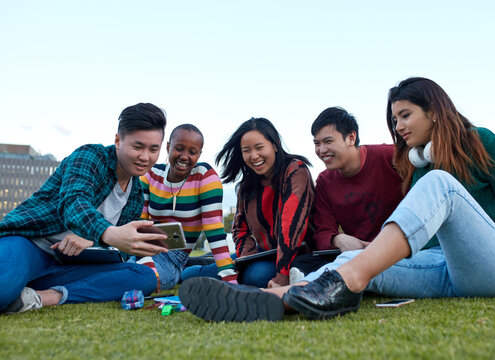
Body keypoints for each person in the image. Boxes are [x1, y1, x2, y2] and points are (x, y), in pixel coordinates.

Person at [179, 77, 495, 322]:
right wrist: (340, 241)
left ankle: (346, 282)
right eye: (394, 118)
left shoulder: (482, 143)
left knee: (440, 186)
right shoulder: (415, 162)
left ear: (433, 111)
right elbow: (322, 231)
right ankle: (273, 300)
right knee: (353, 256)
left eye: (405, 115)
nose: (398, 126)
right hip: (444, 272)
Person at [0, 103, 170, 314]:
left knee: (143, 277)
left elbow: (117, 251)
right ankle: (17, 282)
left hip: (68, 264)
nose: (145, 157)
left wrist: (93, 241)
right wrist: (107, 233)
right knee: (2, 287)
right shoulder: (90, 156)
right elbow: (74, 203)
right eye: (137, 147)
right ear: (118, 141)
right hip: (31, 245)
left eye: (153, 149)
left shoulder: (135, 195)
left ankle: (44, 297)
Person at [182, 118, 315, 288]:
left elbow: (292, 225)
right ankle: (202, 263)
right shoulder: (247, 185)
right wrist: (246, 259)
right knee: (188, 275)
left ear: (275, 145)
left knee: (256, 277)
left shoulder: (296, 170)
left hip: (298, 255)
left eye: (259, 148)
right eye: (246, 150)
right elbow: (239, 229)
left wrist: (282, 276)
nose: (254, 156)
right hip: (263, 255)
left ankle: (222, 269)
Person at [291, 107, 403, 277]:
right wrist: (338, 239)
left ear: (351, 138)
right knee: (302, 263)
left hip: (399, 249)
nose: (321, 150)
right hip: (357, 252)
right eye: (317, 143)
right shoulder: (324, 181)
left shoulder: (389, 157)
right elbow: (323, 232)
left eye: (328, 141)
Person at [137, 124, 237, 291]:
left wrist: (229, 278)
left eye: (192, 152)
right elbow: (138, 224)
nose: (184, 157)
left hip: (173, 257)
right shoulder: (150, 174)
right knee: (128, 270)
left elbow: (214, 229)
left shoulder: (205, 176)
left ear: (199, 155)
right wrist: (147, 265)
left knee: (137, 276)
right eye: (179, 149)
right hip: (142, 247)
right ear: (168, 147)